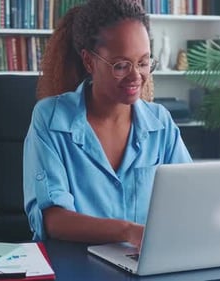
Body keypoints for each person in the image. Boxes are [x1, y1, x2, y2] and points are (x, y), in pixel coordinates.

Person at [23, 0, 192, 248]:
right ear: (89, 62)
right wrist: (128, 231)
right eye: (121, 65)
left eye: (144, 62)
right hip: (75, 264)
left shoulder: (161, 123)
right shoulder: (50, 118)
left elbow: (190, 198)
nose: (136, 76)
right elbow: (53, 219)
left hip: (144, 265)